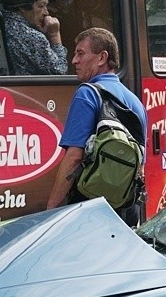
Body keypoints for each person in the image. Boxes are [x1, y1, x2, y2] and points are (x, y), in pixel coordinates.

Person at [47, 27, 147, 225]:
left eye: (80, 53)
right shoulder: (136, 102)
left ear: (102, 58)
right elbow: (140, 166)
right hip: (126, 209)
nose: (74, 60)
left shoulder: (87, 93)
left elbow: (74, 157)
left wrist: (51, 208)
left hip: (90, 208)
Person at [1, 0, 68, 75]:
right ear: (23, 6)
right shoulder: (32, 37)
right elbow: (60, 71)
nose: (46, 12)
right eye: (41, 6)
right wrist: (54, 36)